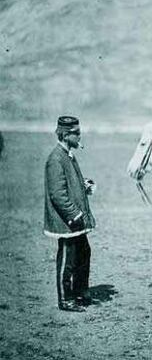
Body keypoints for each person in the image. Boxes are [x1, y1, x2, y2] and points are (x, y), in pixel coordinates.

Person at [44, 116, 96, 312]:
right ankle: (65, 299)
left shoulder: (68, 155)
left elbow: (70, 184)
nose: (80, 136)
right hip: (68, 222)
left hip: (76, 221)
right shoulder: (55, 159)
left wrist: (84, 186)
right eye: (76, 133)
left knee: (83, 253)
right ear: (65, 135)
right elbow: (57, 194)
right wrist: (74, 214)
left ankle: (80, 292)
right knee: (68, 258)